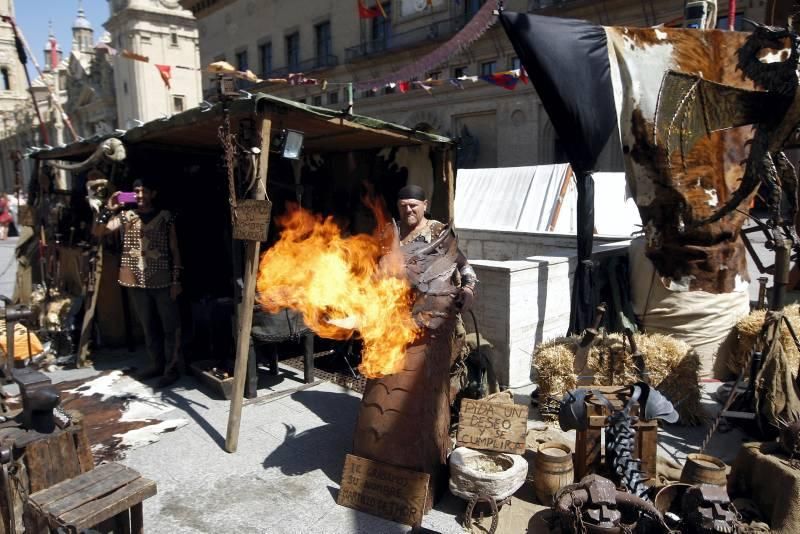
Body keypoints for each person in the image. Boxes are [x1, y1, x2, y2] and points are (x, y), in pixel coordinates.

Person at [353, 183, 477, 510]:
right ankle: (379, 463)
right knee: (383, 391)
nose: (409, 210)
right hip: (392, 324)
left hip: (431, 325)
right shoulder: (389, 235)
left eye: (414, 205)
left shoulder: (438, 233)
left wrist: (469, 287)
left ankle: (425, 465)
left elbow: (463, 265)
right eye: (403, 204)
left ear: (425, 205)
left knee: (424, 397)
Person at [94, 177, 182, 387]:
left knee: (170, 327)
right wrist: (108, 207)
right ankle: (156, 365)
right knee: (148, 327)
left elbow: (174, 249)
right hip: (137, 281)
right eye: (136, 192)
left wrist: (176, 280)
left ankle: (172, 368)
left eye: (144, 191)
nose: (140, 196)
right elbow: (98, 231)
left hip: (162, 280)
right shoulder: (125, 216)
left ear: (153, 194)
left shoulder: (165, 217)